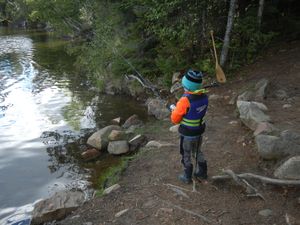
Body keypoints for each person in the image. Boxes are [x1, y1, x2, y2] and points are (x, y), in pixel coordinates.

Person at [170, 69, 209, 184]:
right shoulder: (204, 96)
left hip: (187, 134)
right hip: (199, 131)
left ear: (186, 86)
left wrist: (173, 110)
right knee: (197, 151)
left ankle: (187, 177)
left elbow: (175, 119)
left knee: (186, 154)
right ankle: (203, 172)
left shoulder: (184, 100)